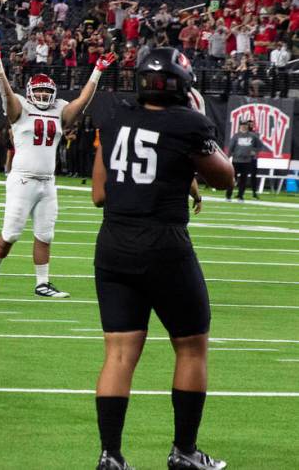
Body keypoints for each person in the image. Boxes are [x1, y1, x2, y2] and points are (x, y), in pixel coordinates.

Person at [90, 47, 233, 470]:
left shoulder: (114, 116)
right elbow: (224, 177)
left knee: (118, 354)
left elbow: (99, 194)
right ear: (181, 85)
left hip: (113, 242)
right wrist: (202, 125)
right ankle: (184, 452)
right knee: (191, 347)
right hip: (164, 244)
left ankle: (110, 456)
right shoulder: (188, 121)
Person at [0, 41, 116, 297]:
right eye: (38, 91)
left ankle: (42, 284)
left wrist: (97, 70)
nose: (42, 96)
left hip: (47, 181)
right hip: (22, 180)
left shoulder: (60, 110)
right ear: (31, 92)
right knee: (11, 233)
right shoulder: (20, 107)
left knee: (45, 234)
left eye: (46, 91)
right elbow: (6, 94)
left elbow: (83, 101)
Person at [225, 119, 262, 201]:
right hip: (236, 160)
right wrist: (228, 157)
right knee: (232, 179)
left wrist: (254, 151)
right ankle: (228, 195)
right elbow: (231, 147)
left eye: (245, 125)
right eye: (242, 125)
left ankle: (240, 196)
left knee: (243, 180)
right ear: (240, 126)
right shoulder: (236, 136)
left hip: (246, 161)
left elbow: (260, 145)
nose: (244, 126)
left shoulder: (253, 136)